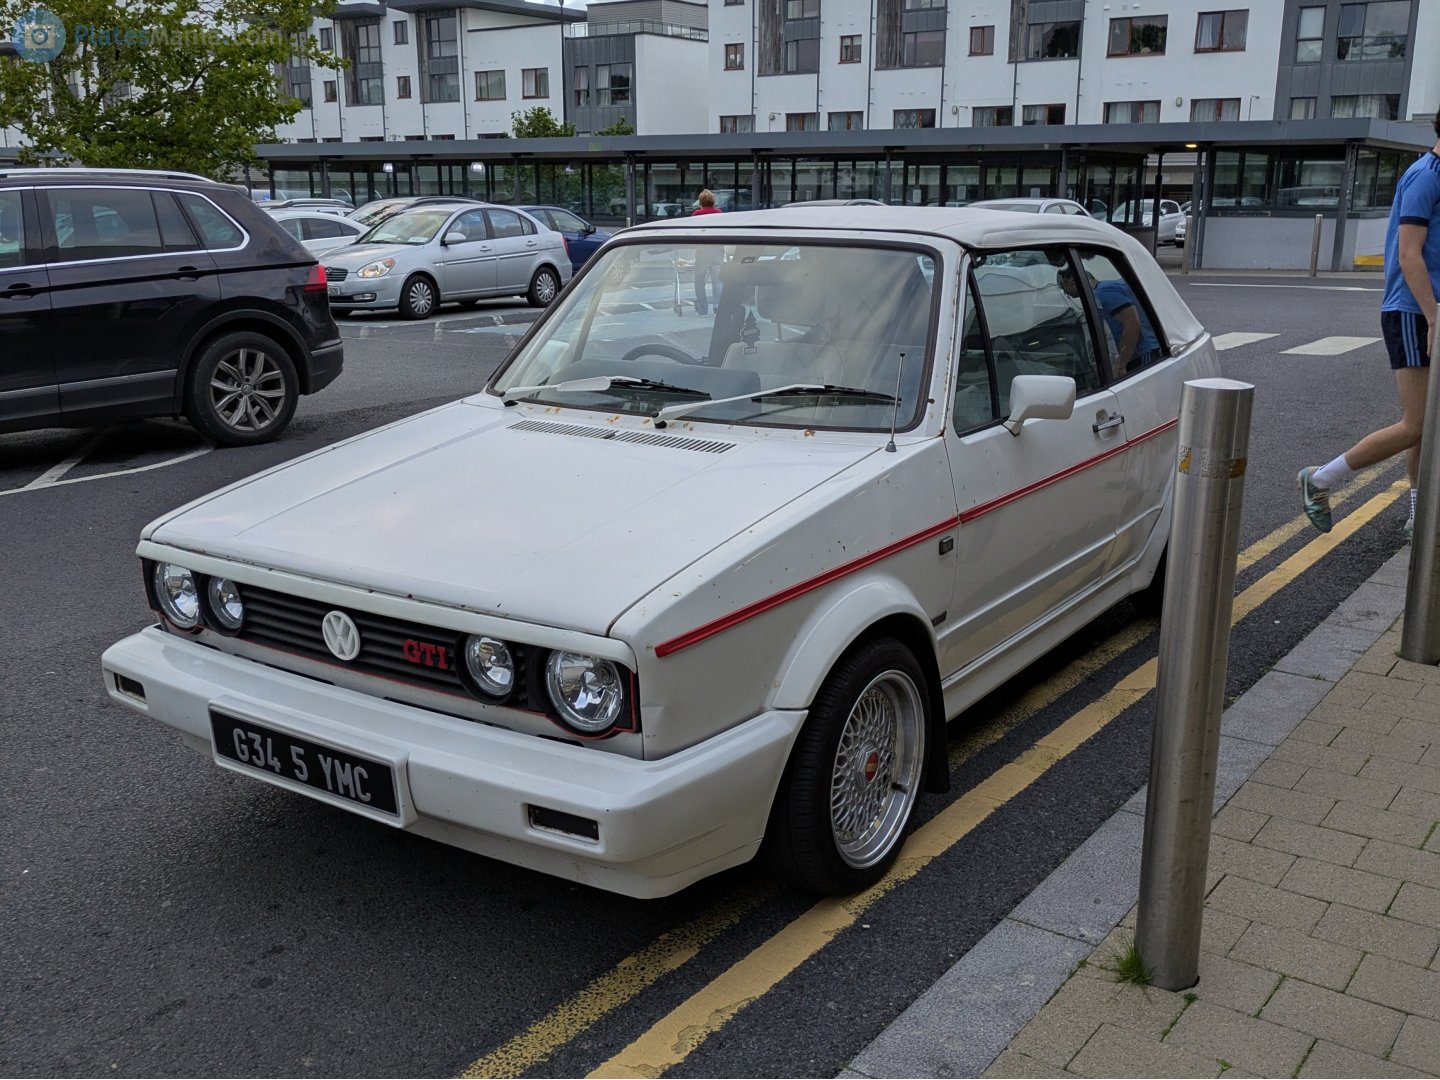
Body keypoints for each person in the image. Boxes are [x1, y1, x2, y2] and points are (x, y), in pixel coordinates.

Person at [1298, 108, 1440, 537]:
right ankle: (1320, 479)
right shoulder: (1425, 176)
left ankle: (1420, 512)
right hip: (1413, 311)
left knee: (1427, 422)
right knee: (1416, 424)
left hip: (1427, 310)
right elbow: (1408, 255)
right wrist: (1433, 318)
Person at [1056, 263, 1164, 372]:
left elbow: (1132, 325)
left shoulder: (1103, 293)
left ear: (1071, 281)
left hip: (1144, 352)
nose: (1064, 293)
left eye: (1062, 286)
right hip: (1139, 352)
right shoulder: (1104, 289)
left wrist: (1121, 364)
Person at [691, 189, 723, 316]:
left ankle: (703, 308)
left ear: (700, 202)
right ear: (713, 201)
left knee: (699, 281)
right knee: (718, 280)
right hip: (717, 250)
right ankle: (717, 305)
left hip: (702, 251)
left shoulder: (697, 214)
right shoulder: (719, 213)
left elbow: (692, 231)